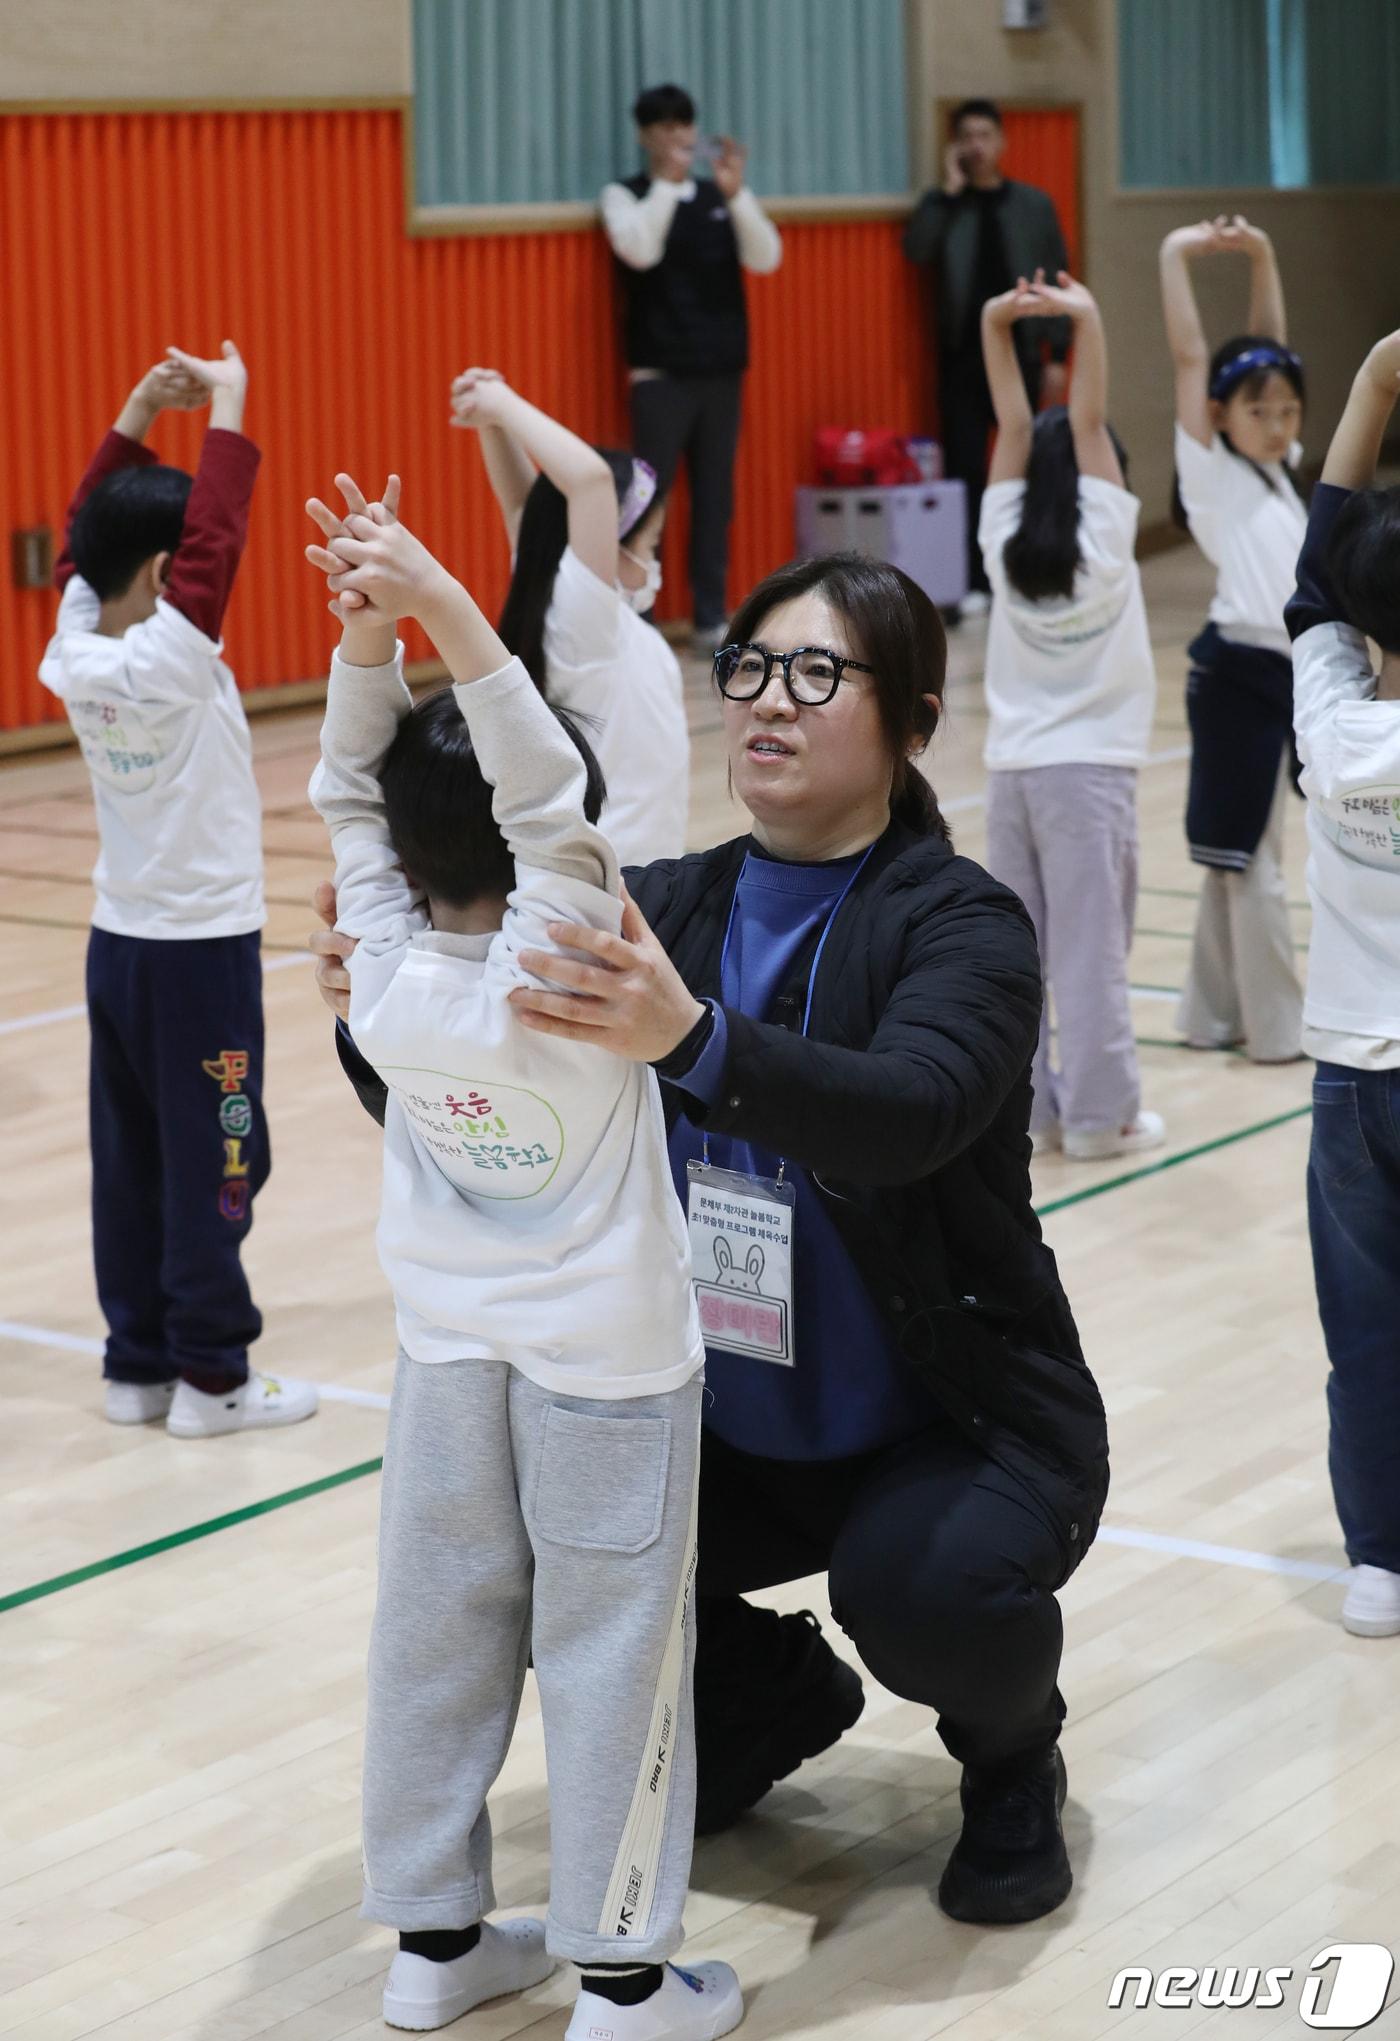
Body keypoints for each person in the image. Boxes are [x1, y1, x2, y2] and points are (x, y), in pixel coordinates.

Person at [315, 550, 1109, 1928]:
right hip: (717, 1419)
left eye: (818, 674)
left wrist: (690, 1039)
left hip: (947, 1422)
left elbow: (910, 1112)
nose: (768, 703)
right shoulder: (664, 900)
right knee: (532, 1543)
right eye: (747, 668)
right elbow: (493, 1103)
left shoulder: (963, 923)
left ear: (916, 721)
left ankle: (1010, 1752)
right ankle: (772, 1692)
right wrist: (378, 1011)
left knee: (929, 1590)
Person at [302, 476, 742, 2041]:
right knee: (613, 1643)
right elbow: (544, 777)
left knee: (434, 1628)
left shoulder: (384, 974)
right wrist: (435, 606)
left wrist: (366, 639)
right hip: (611, 1368)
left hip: (444, 1356)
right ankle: (622, 1979)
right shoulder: (576, 938)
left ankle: (433, 1941)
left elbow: (348, 797)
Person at [38, 343, 317, 1439]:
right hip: (201, 955)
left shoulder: (74, 647)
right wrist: (233, 400)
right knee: (223, 1150)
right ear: (160, 576)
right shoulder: (171, 657)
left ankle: (136, 1362)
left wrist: (138, 412)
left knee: (135, 1156)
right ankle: (214, 1376)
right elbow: (214, 540)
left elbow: (80, 533)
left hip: (119, 945)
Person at [978, 269, 1163, 1161]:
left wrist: (992, 322)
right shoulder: (1109, 542)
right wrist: (1085, 317)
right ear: (1103, 474)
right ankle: (1099, 1117)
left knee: (1021, 959)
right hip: (1088, 777)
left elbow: (1022, 424)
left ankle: (1034, 1115)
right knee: (1091, 954)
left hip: (1011, 772)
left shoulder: (1002, 541)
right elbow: (1080, 423)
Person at [1285, 326, 1400, 1640]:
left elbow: (1318, 578)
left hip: (1354, 1083)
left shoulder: (1332, 719)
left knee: (1366, 1327)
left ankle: (1380, 1556)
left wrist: (1371, 384)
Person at [1159, 214, 1306, 1063]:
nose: (1281, 421)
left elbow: (1270, 346)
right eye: (1262, 410)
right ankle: (1278, 1034)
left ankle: (1211, 1015)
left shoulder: (1276, 473)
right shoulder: (1211, 471)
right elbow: (1189, 355)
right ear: (1221, 415)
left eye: (1290, 409)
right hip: (1238, 677)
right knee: (1251, 862)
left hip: (1282, 675)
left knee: (1240, 856)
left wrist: (1263, 251)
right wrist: (1178, 254)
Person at [449, 365, 689, 863]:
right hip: (621, 871)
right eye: (651, 543)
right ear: (612, 543)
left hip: (632, 866)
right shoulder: (584, 620)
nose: (656, 559)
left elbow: (523, 508)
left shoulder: (562, 599)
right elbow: (591, 482)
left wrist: (493, 425)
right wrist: (503, 405)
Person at [600, 82, 782, 648]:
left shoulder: (718, 195)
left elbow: (766, 256)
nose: (678, 135)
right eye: (664, 126)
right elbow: (640, 252)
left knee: (715, 497)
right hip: (660, 372)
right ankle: (640, 616)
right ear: (645, 135)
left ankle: (710, 614)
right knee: (648, 497)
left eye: (685, 124)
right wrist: (667, 187)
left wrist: (737, 194)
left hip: (721, 369)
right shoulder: (625, 195)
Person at [904, 98, 1072, 612]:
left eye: (985, 135)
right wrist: (949, 194)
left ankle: (1027, 570)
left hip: (1020, 351)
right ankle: (974, 579)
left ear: (1001, 142)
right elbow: (917, 250)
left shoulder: (1032, 205)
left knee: (1026, 462)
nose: (976, 145)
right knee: (966, 468)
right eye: (967, 136)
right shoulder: (943, 205)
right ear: (956, 146)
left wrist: (1058, 352)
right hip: (961, 356)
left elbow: (1057, 273)